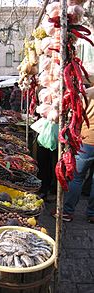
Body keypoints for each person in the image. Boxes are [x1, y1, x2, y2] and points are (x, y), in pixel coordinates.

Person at [56, 85, 94, 222]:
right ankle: (92, 213)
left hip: (86, 140)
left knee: (76, 178)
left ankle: (67, 212)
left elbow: (76, 116)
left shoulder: (87, 93)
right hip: (86, 141)